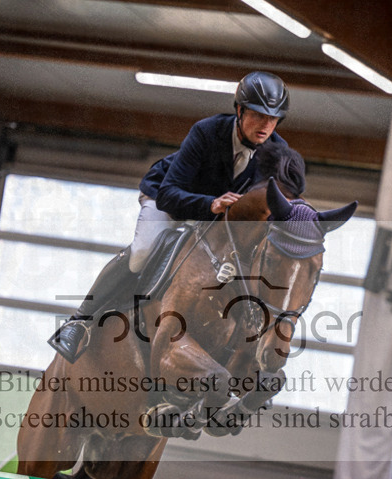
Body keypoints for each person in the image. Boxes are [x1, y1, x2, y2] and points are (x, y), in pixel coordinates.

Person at [48, 71, 292, 363]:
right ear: (239, 110)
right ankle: (79, 322)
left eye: (273, 119)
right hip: (170, 198)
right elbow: (168, 194)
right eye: (258, 116)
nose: (266, 126)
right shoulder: (206, 132)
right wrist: (210, 204)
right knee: (142, 252)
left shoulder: (277, 154)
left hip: (215, 219)